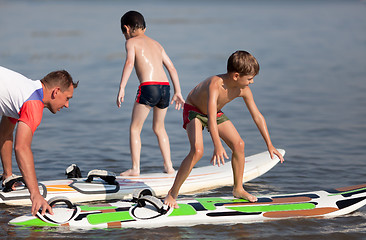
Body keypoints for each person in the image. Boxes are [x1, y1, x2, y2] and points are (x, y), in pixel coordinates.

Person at [164, 51, 285, 208]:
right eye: (249, 78)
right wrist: (217, 145)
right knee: (197, 151)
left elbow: (257, 116)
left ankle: (238, 189)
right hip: (194, 110)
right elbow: (211, 119)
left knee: (239, 144)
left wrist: (269, 143)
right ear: (236, 76)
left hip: (213, 112)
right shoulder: (215, 85)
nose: (252, 82)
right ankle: (172, 193)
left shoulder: (244, 90)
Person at [0, 66, 78, 215]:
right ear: (56, 92)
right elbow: (21, 147)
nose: (67, 105)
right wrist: (35, 194)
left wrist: (8, 176)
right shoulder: (33, 102)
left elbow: (4, 135)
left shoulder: (23, 93)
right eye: (67, 98)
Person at [116, 11, 185, 176]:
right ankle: (169, 166)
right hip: (165, 88)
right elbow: (172, 68)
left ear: (126, 28)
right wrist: (178, 92)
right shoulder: (157, 44)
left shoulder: (131, 42)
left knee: (135, 128)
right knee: (160, 128)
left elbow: (129, 63)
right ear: (144, 27)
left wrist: (122, 87)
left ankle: (135, 168)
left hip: (149, 87)